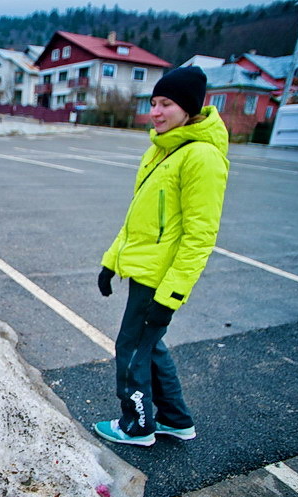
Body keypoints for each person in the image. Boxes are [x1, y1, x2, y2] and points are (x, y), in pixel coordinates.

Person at [93, 66, 229, 447]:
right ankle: (176, 420)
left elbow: (200, 237)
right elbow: (139, 218)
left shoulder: (201, 157)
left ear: (188, 108)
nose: (156, 111)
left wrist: (170, 296)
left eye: (166, 104)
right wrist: (111, 261)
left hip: (161, 277)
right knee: (150, 348)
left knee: (132, 348)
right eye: (153, 103)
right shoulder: (163, 150)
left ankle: (137, 426)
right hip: (144, 269)